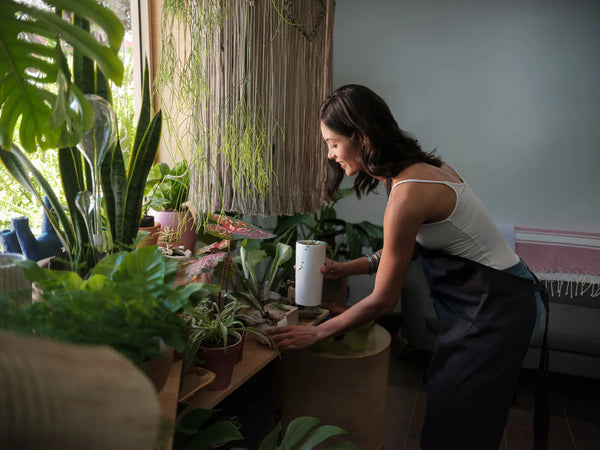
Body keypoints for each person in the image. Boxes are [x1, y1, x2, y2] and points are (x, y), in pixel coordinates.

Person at [267, 84, 548, 449]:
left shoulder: (407, 193)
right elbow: (413, 250)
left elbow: (384, 301)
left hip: (495, 309)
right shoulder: (413, 171)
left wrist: (318, 332)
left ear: (363, 137)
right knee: (455, 417)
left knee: (459, 428)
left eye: (333, 143)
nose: (331, 154)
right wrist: (346, 268)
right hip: (492, 301)